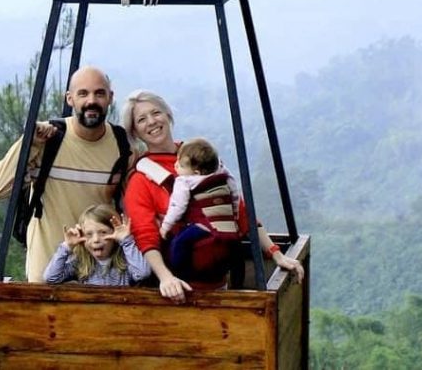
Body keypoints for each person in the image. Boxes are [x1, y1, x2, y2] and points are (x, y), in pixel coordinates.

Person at [121, 90, 304, 303]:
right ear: (135, 131)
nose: (152, 122)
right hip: (179, 287)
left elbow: (237, 210)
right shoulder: (141, 179)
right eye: (142, 119)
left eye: (156, 113)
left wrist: (276, 253)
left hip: (219, 278)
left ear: (168, 115)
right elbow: (146, 235)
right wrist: (166, 278)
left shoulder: (200, 156)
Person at [0, 66, 129, 283]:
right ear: (70, 99)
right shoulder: (49, 139)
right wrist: (30, 141)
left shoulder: (121, 145)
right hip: (47, 276)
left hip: (98, 279)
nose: (91, 101)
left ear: (110, 98)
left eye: (99, 93)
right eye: (83, 94)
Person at [159, 137, 241, 279]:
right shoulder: (223, 174)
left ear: (196, 172)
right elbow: (235, 194)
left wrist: (166, 226)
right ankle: (238, 278)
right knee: (236, 249)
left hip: (205, 223)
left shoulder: (184, 181)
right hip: (228, 224)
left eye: (181, 164)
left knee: (179, 242)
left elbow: (177, 206)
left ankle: (180, 274)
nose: (176, 165)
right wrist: (234, 213)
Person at [42, 203, 150, 286]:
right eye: (89, 234)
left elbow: (143, 273)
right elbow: (51, 278)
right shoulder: (81, 263)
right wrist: (67, 246)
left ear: (115, 235)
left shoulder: (125, 262)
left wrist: (126, 240)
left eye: (103, 233)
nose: (96, 240)